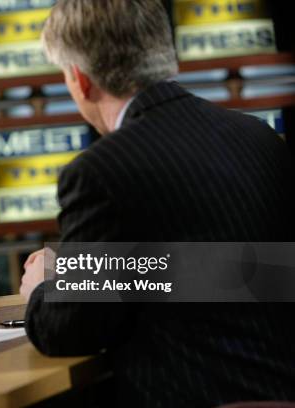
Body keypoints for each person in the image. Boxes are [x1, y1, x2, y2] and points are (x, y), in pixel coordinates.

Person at [19, 0, 295, 406]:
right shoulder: (258, 136)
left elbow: (70, 330)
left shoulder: (101, 170)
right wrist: (96, 270)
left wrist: (45, 286)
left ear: (80, 78)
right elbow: (229, 268)